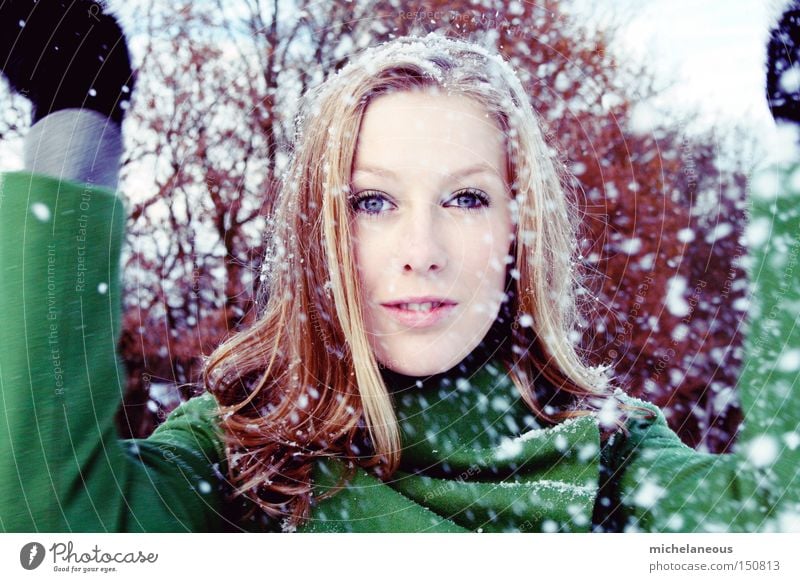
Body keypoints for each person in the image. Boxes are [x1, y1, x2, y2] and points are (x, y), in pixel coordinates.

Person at [0, 0, 797, 533]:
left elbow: (780, 521)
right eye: (373, 203)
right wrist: (77, 127)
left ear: (523, 232)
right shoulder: (237, 457)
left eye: (468, 200)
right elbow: (53, 528)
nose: (422, 250)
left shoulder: (614, 460)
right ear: (322, 235)